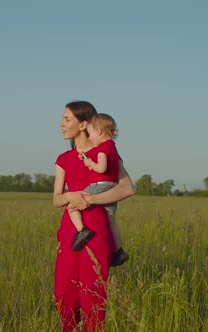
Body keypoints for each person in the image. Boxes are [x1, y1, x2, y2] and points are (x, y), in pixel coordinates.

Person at [53, 101, 135, 332]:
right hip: (71, 230)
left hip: (97, 229)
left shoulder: (105, 153)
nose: (61, 123)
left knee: (93, 297)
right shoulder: (64, 158)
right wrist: (72, 196)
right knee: (63, 295)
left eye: (67, 119)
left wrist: (88, 200)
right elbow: (56, 199)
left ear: (84, 124)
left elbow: (127, 188)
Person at [69, 113, 130, 266]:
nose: (89, 138)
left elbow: (101, 168)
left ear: (99, 131)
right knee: (111, 221)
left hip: (100, 186)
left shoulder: (103, 148)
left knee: (72, 206)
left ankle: (81, 230)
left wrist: (90, 163)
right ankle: (119, 251)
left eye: (90, 134)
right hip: (112, 187)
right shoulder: (113, 148)